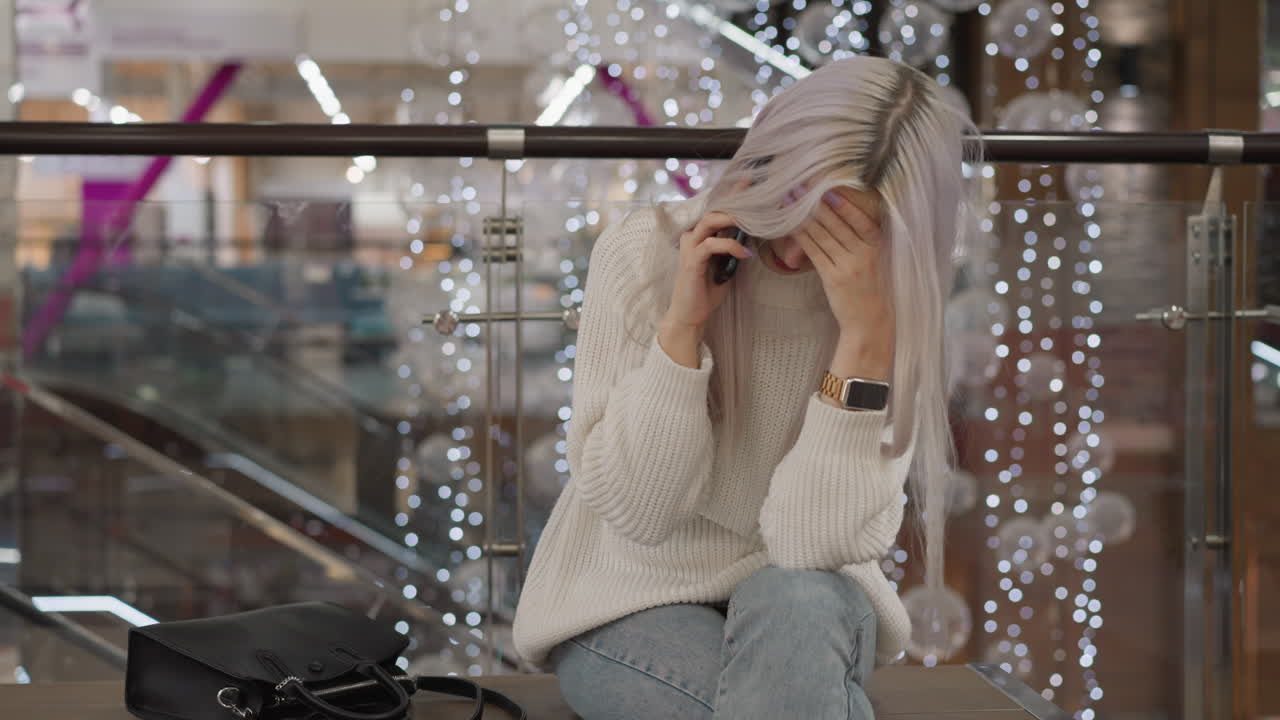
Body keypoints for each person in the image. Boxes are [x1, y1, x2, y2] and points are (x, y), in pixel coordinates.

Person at [511, 55, 978, 719]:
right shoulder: (644, 251)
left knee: (798, 601)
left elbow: (811, 547)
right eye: (793, 203)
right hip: (629, 599)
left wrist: (865, 343)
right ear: (769, 164)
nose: (794, 253)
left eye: (843, 231)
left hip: (810, 608)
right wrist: (682, 328)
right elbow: (637, 512)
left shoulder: (897, 305)